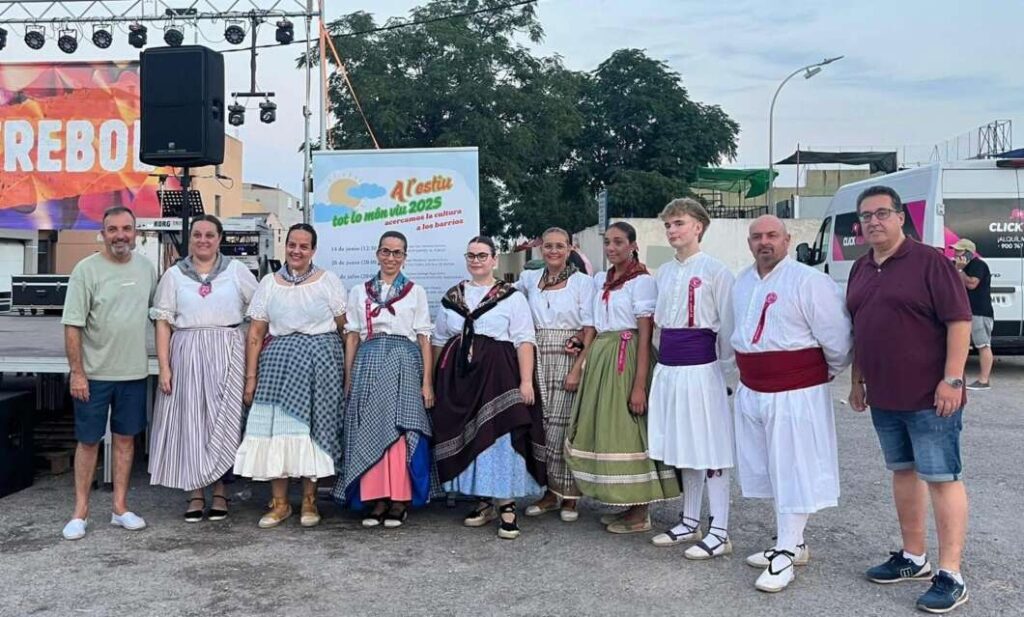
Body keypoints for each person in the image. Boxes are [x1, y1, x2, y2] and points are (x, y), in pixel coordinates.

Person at [847, 186, 971, 614]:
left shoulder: (930, 262)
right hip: (884, 395)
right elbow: (861, 328)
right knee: (903, 473)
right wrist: (857, 380)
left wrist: (952, 380)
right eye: (866, 216)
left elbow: (959, 322)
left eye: (882, 213)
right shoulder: (861, 269)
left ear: (901, 217)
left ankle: (951, 573)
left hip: (931, 396)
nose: (873, 221)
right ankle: (913, 557)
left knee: (941, 478)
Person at [731, 215, 852, 593]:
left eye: (772, 236)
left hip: (795, 390)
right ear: (749, 242)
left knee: (793, 466)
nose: (764, 242)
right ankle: (793, 542)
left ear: (787, 239)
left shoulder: (810, 281)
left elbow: (838, 339)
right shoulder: (743, 281)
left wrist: (817, 375)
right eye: (756, 237)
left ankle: (785, 551)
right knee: (767, 465)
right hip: (753, 387)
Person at [565, 222, 680, 533]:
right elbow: (592, 329)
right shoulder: (602, 280)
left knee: (630, 428)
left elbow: (644, 336)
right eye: (607, 242)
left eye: (618, 242)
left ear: (633, 245)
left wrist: (639, 384)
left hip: (627, 358)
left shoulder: (641, 282)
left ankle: (641, 511)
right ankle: (629, 504)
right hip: (603, 357)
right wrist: (579, 365)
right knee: (608, 429)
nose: (612, 248)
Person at [432, 235, 546, 540]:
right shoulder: (452, 298)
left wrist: (525, 381)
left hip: (499, 375)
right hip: (460, 379)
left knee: (499, 435)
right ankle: (483, 500)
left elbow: (524, 340)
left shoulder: (511, 297)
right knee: (470, 434)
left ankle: (506, 503)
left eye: (482, 255)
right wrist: (434, 381)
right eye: (471, 255)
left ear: (495, 260)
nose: (476, 261)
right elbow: (440, 341)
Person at [234, 223, 347, 529]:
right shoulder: (269, 283)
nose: (297, 251)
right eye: (292, 245)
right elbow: (256, 333)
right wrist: (251, 377)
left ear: (313, 250)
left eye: (304, 246)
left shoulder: (328, 281)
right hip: (276, 366)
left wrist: (342, 370)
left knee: (311, 432)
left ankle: (309, 501)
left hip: (319, 364)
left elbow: (344, 327)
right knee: (276, 432)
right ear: (286, 246)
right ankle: (281, 503)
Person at [148, 215, 258, 522]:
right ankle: (195, 492)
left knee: (223, 422)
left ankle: (220, 490)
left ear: (219, 239)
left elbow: (260, 310)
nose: (203, 240)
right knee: (192, 422)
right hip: (187, 349)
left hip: (227, 349)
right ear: (190, 239)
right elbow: (162, 323)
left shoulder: (236, 271)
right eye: (197, 234)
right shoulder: (174, 275)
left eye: (210, 235)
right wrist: (165, 367)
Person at [61, 206, 157, 540]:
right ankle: (80, 513)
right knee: (88, 442)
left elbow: (160, 316)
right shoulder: (86, 270)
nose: (120, 235)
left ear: (136, 232)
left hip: (132, 374)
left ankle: (120, 508)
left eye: (126, 229)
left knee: (126, 440)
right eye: (112, 229)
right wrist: (77, 372)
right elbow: (72, 326)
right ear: (103, 233)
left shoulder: (147, 269)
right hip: (94, 375)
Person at [647, 199, 736, 559]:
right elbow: (658, 327)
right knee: (684, 444)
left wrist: (726, 373)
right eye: (668, 225)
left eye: (678, 223)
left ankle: (720, 529)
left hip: (703, 368)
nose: (672, 231)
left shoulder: (717, 271)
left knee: (710, 445)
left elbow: (728, 328)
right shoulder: (664, 272)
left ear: (698, 226)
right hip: (670, 369)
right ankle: (689, 519)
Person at [332, 231, 437, 528]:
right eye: (386, 251)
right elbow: (352, 337)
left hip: (404, 361)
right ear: (377, 253)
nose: (391, 258)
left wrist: (427, 382)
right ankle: (376, 497)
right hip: (369, 360)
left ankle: (399, 499)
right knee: (369, 425)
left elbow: (424, 337)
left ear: (405, 257)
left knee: (401, 429)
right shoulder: (359, 291)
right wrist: (348, 378)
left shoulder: (415, 291)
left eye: (397, 253)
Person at [515, 227, 596, 523]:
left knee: (565, 424)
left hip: (567, 354)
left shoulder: (582, 283)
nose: (553, 251)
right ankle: (549, 491)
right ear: (540, 249)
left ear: (570, 248)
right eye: (548, 246)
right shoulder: (529, 280)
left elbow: (589, 328)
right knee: (542, 423)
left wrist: (578, 368)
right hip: (537, 352)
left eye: (559, 246)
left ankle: (570, 494)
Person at [950, 238, 994, 390]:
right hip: (965, 311)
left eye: (959, 251)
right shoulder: (957, 266)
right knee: (961, 344)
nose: (955, 254)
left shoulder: (978, 265)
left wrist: (960, 270)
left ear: (968, 253)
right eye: (955, 250)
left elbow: (971, 284)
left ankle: (984, 380)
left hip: (979, 312)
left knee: (983, 344)